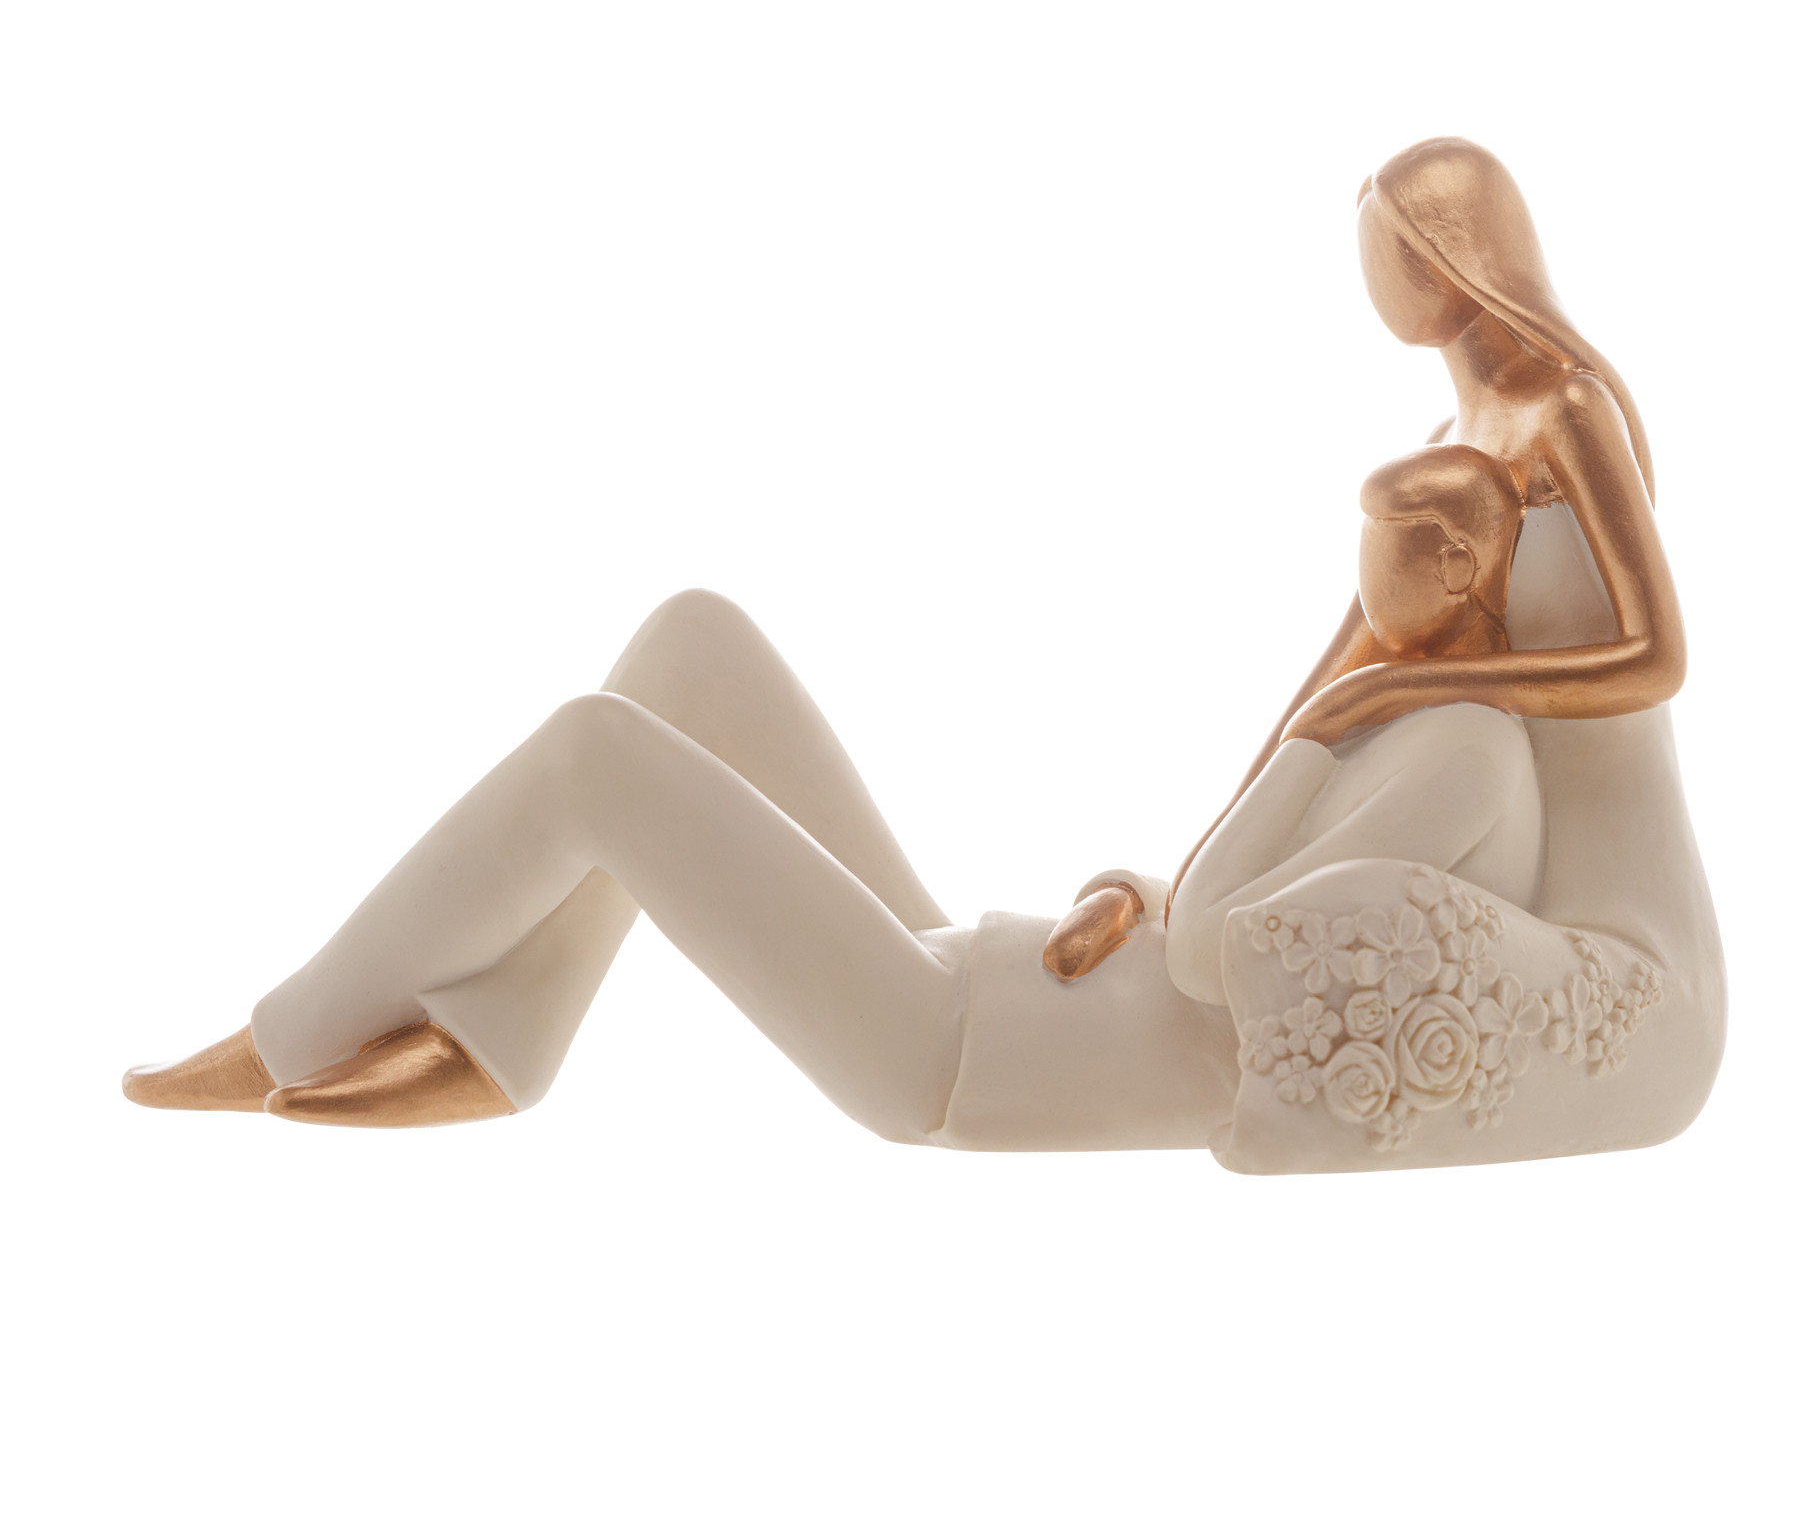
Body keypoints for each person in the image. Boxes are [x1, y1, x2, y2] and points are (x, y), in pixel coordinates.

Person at [125, 138, 1725, 1167]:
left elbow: (1236, 938)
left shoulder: (1464, 755)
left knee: (595, 757)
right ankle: (507, 1034)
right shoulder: (1419, 628)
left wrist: (1356, 716)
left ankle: (289, 1035)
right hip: (984, 950)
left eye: (1394, 256)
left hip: (947, 1047)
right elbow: (1229, 868)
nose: (1372, 600)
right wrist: (1143, 879)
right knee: (691, 640)